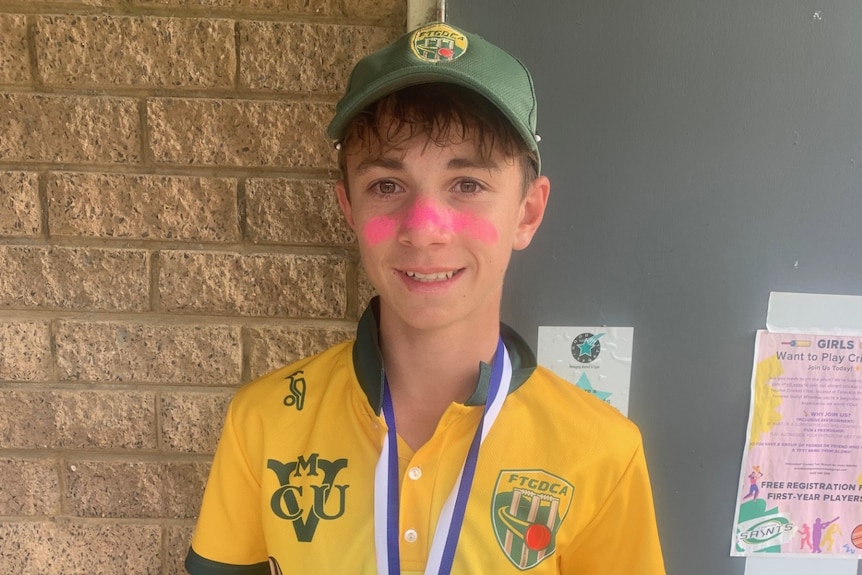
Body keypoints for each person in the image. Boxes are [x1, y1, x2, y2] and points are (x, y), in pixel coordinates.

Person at [185, 21, 665, 575]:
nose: (424, 229)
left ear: (527, 212)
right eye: (387, 186)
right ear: (350, 209)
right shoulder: (263, 421)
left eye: (467, 185)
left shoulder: (604, 450)